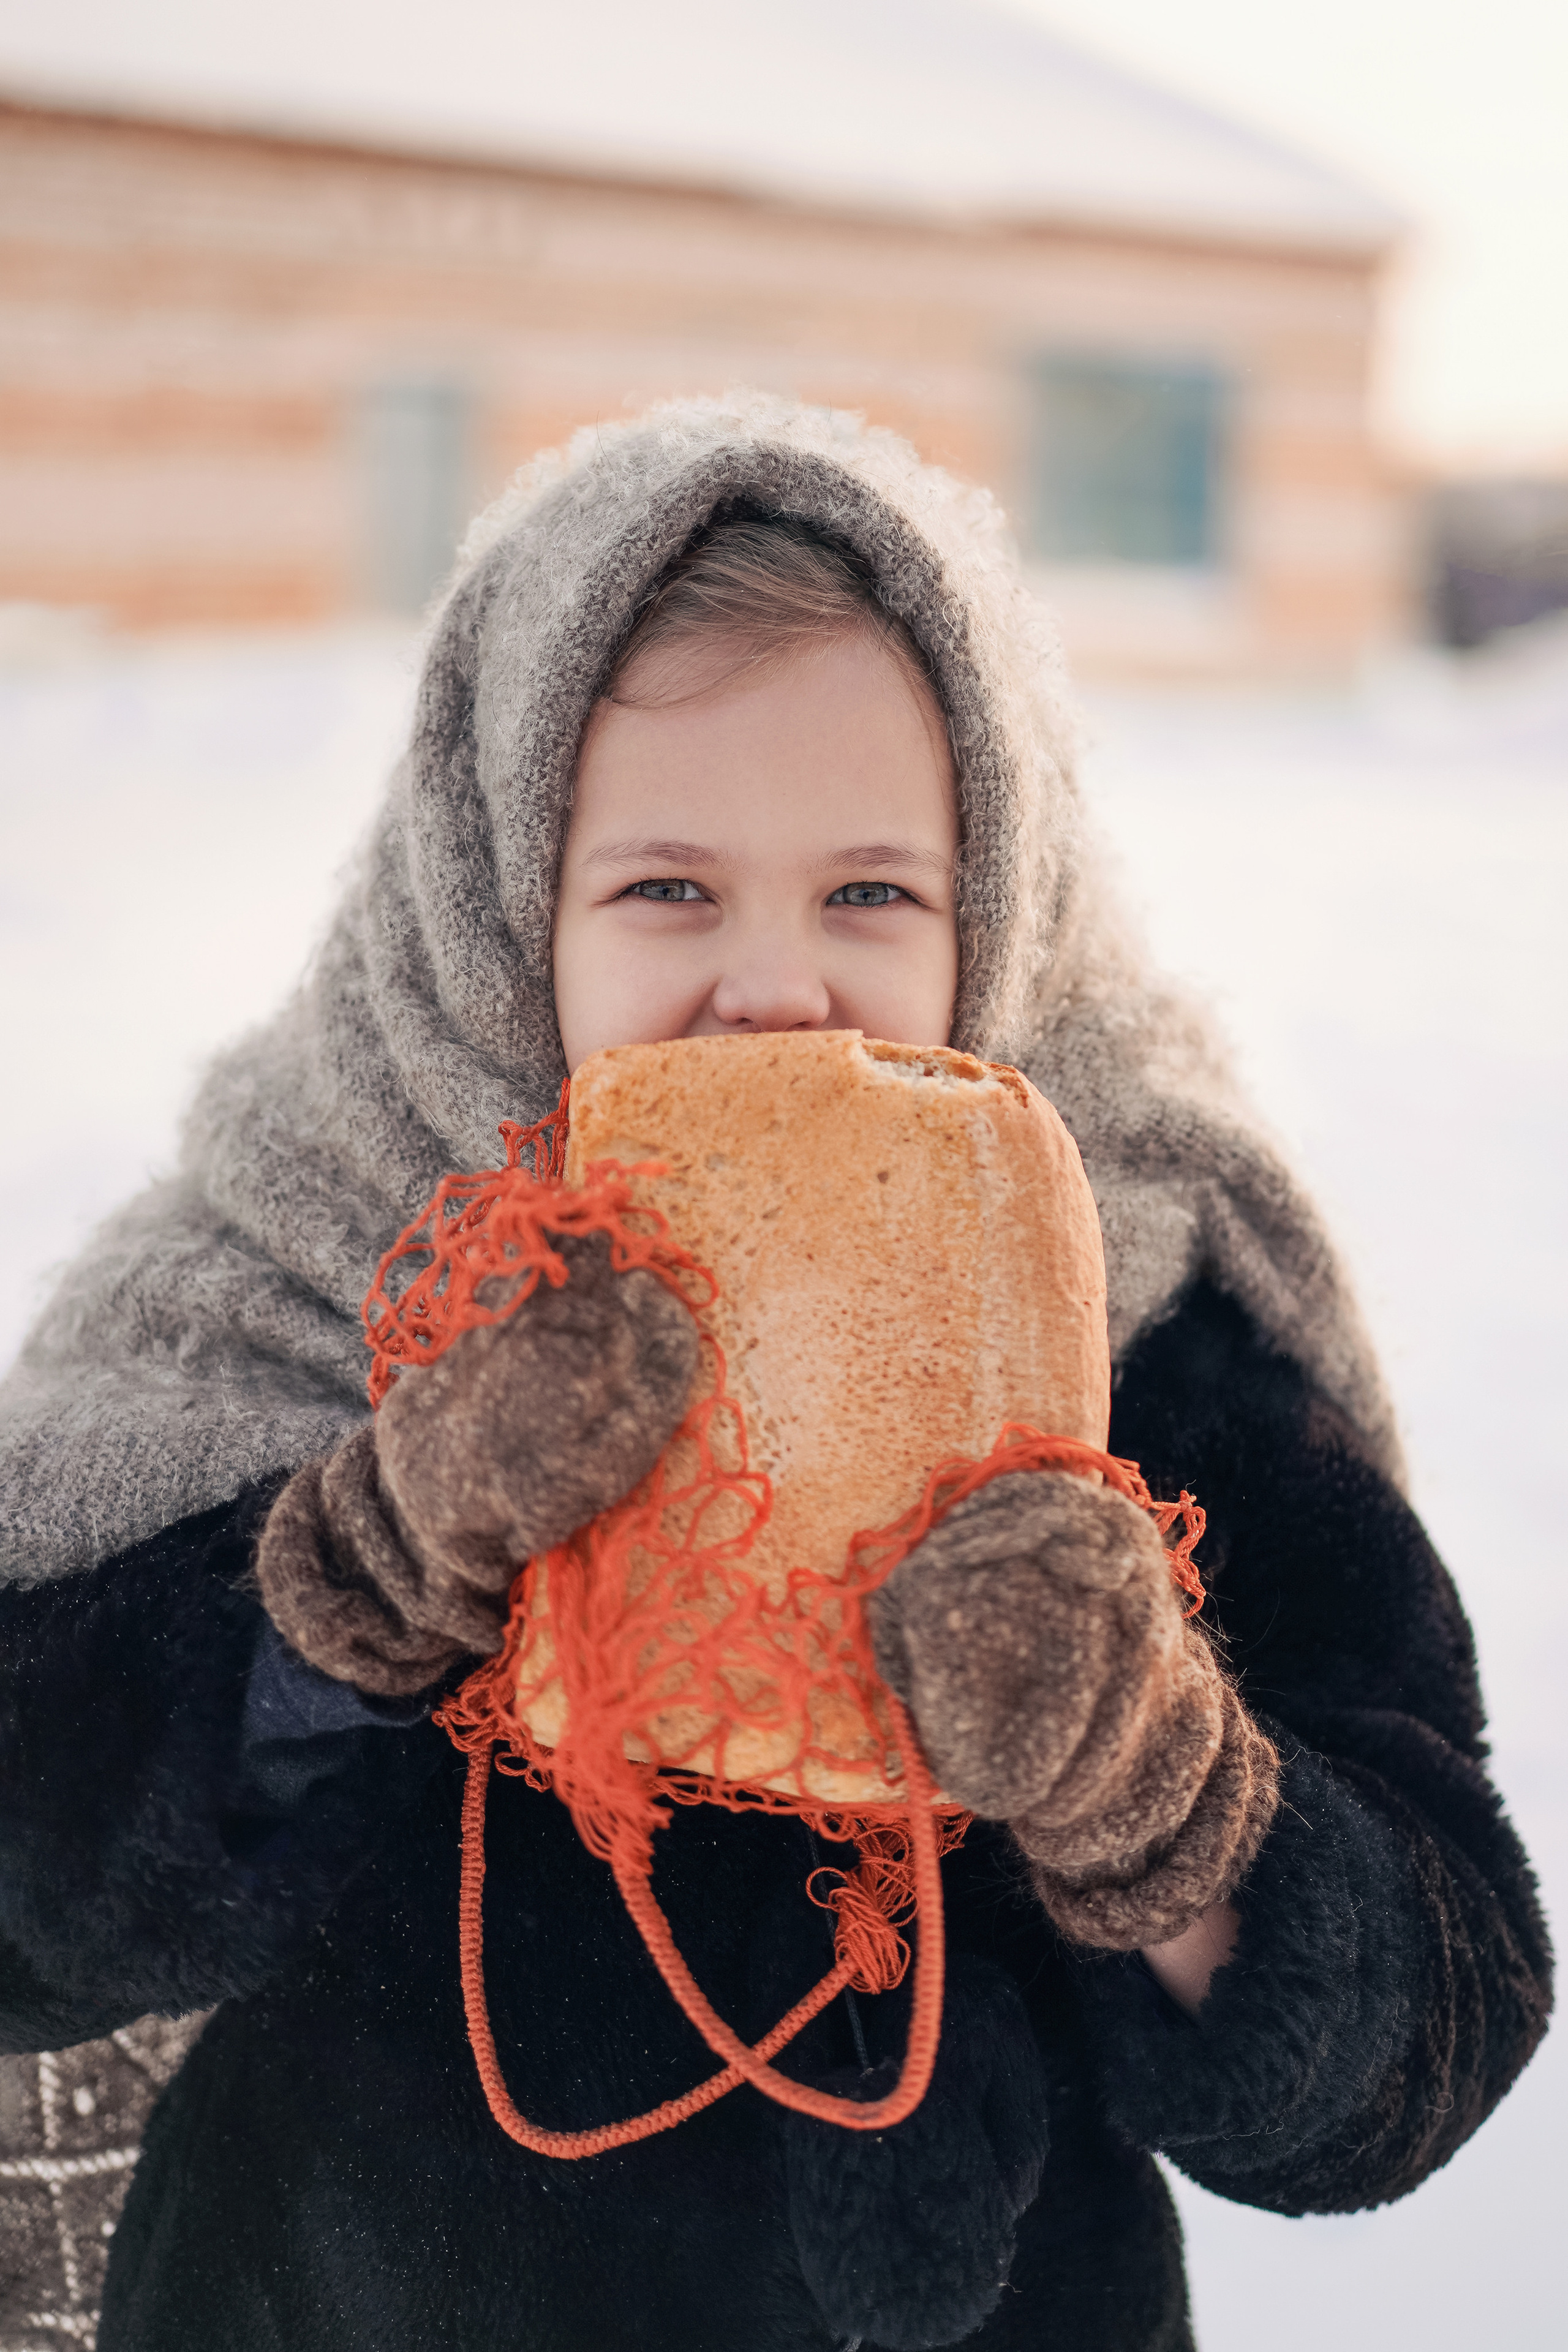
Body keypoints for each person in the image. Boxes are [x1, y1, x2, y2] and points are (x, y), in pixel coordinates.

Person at [0, 395, 1550, 2352]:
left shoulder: (1137, 1308)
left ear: (1002, 900)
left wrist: (1164, 1802)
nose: (775, 985)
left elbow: (1430, 2026)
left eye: (871, 893)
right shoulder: (305, 1265)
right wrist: (346, 1584)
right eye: (668, 888)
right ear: (496, 907)